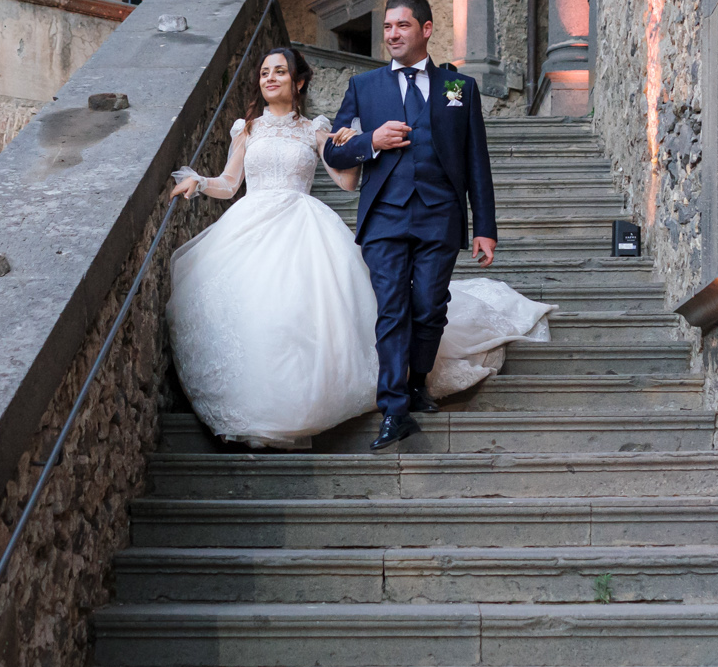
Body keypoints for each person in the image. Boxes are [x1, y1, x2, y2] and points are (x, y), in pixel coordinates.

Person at [167, 44, 549, 448]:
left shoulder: (315, 129)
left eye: (279, 71)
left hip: (301, 223)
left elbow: (347, 182)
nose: (270, 78)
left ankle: (306, 399)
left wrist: (355, 143)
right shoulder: (246, 129)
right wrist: (199, 183)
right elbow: (230, 184)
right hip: (250, 224)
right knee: (255, 313)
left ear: (298, 82)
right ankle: (256, 401)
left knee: (295, 314)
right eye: (264, 73)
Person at [322, 0, 509, 450]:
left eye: (402, 26)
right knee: (392, 309)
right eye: (387, 27)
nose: (392, 35)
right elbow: (332, 150)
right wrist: (371, 140)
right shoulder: (364, 86)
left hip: (440, 213)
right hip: (384, 215)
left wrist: (484, 227)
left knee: (428, 307)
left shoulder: (458, 88)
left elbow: (476, 160)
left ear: (425, 29)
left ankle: (417, 380)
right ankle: (394, 409)